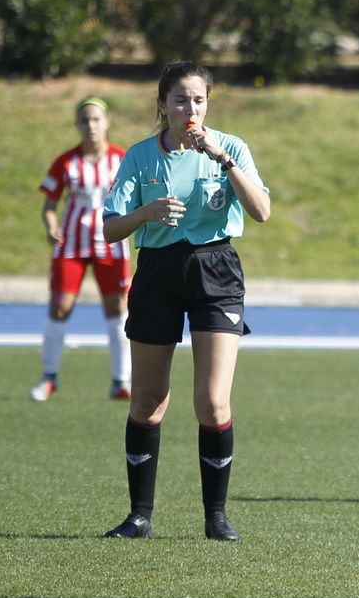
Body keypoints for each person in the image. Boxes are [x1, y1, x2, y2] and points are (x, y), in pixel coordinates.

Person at [98, 61, 271, 542]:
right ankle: (139, 516)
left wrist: (222, 158)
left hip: (215, 270)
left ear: (208, 103)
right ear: (163, 105)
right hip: (157, 271)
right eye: (179, 99)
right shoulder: (139, 156)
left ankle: (216, 516)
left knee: (213, 403)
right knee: (148, 401)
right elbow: (110, 227)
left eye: (198, 99)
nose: (189, 108)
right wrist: (145, 213)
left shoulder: (230, 146)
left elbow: (261, 211)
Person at [30, 97, 132, 402]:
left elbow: (137, 197)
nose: (91, 126)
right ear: (77, 125)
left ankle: (121, 381)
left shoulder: (123, 160)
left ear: (107, 122)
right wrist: (51, 227)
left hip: (111, 244)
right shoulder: (66, 162)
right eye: (85, 120)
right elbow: (49, 205)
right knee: (60, 307)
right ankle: (49, 377)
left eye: (96, 119)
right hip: (72, 245)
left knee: (118, 309)